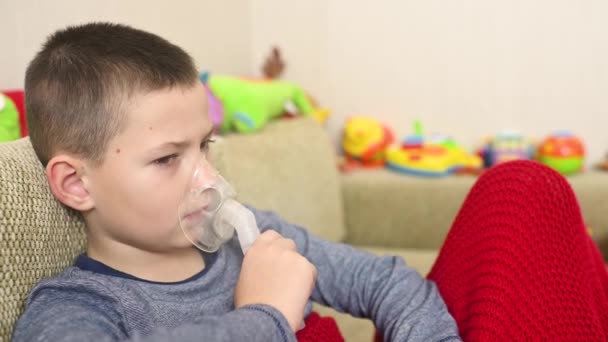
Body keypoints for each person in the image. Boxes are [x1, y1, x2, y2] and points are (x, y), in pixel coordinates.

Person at [11, 22, 608, 342]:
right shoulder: (75, 309)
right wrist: (266, 314)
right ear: (75, 184)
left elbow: (389, 283)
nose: (207, 176)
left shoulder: (252, 237)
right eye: (168, 158)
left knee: (525, 188)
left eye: (206, 145)